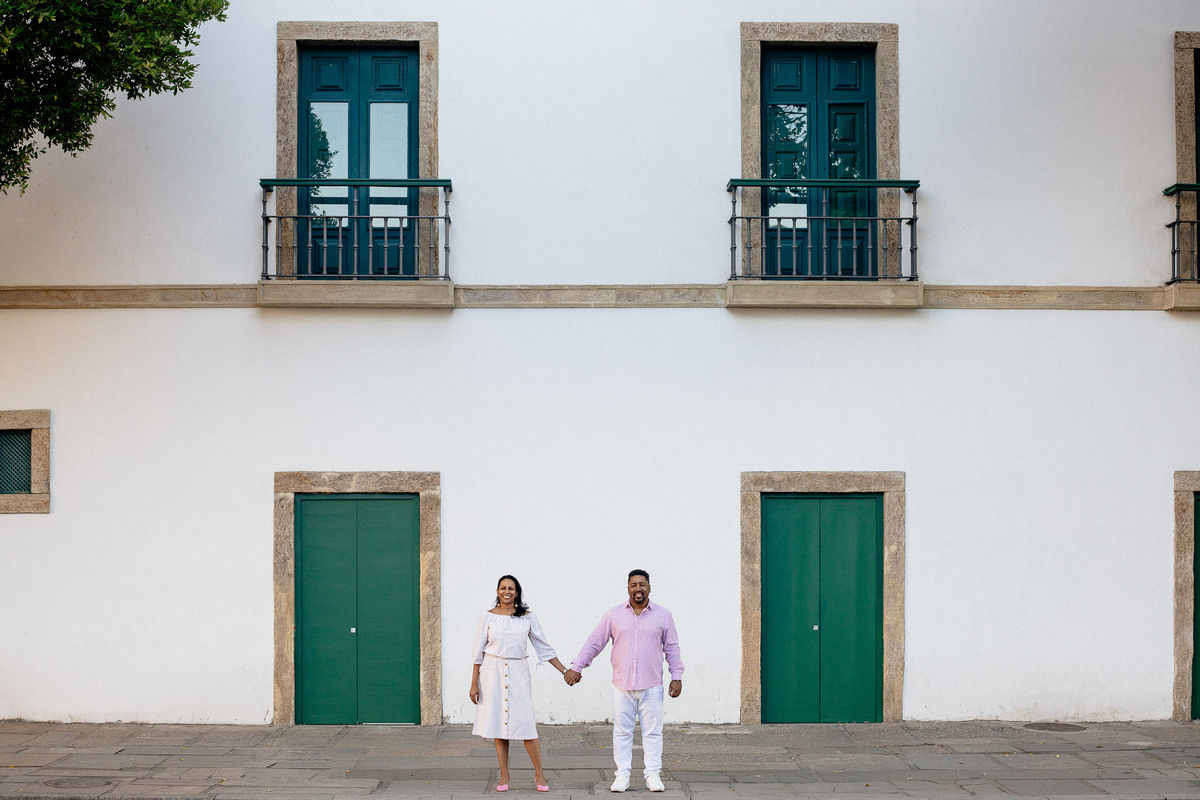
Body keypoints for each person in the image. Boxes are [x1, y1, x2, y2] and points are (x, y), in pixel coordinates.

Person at [563, 569, 683, 793]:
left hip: (652, 684)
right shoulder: (613, 614)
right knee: (622, 732)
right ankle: (622, 775)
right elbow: (595, 642)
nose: (638, 588)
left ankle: (653, 774)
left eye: (642, 584)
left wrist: (676, 676)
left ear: (649, 587)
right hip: (621, 685)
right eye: (634, 585)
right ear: (628, 588)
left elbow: (672, 647)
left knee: (653, 732)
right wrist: (577, 667)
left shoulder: (663, 615)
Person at [470, 574, 570, 793]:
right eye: (503, 588)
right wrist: (474, 683)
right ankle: (504, 775)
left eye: (511, 588)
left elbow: (543, 647)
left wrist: (564, 671)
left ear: (517, 592)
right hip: (492, 673)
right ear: (497, 592)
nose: (507, 591)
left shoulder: (527, 617)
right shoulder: (487, 617)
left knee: (526, 724)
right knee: (499, 725)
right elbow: (478, 652)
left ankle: (539, 774)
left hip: (518, 672)